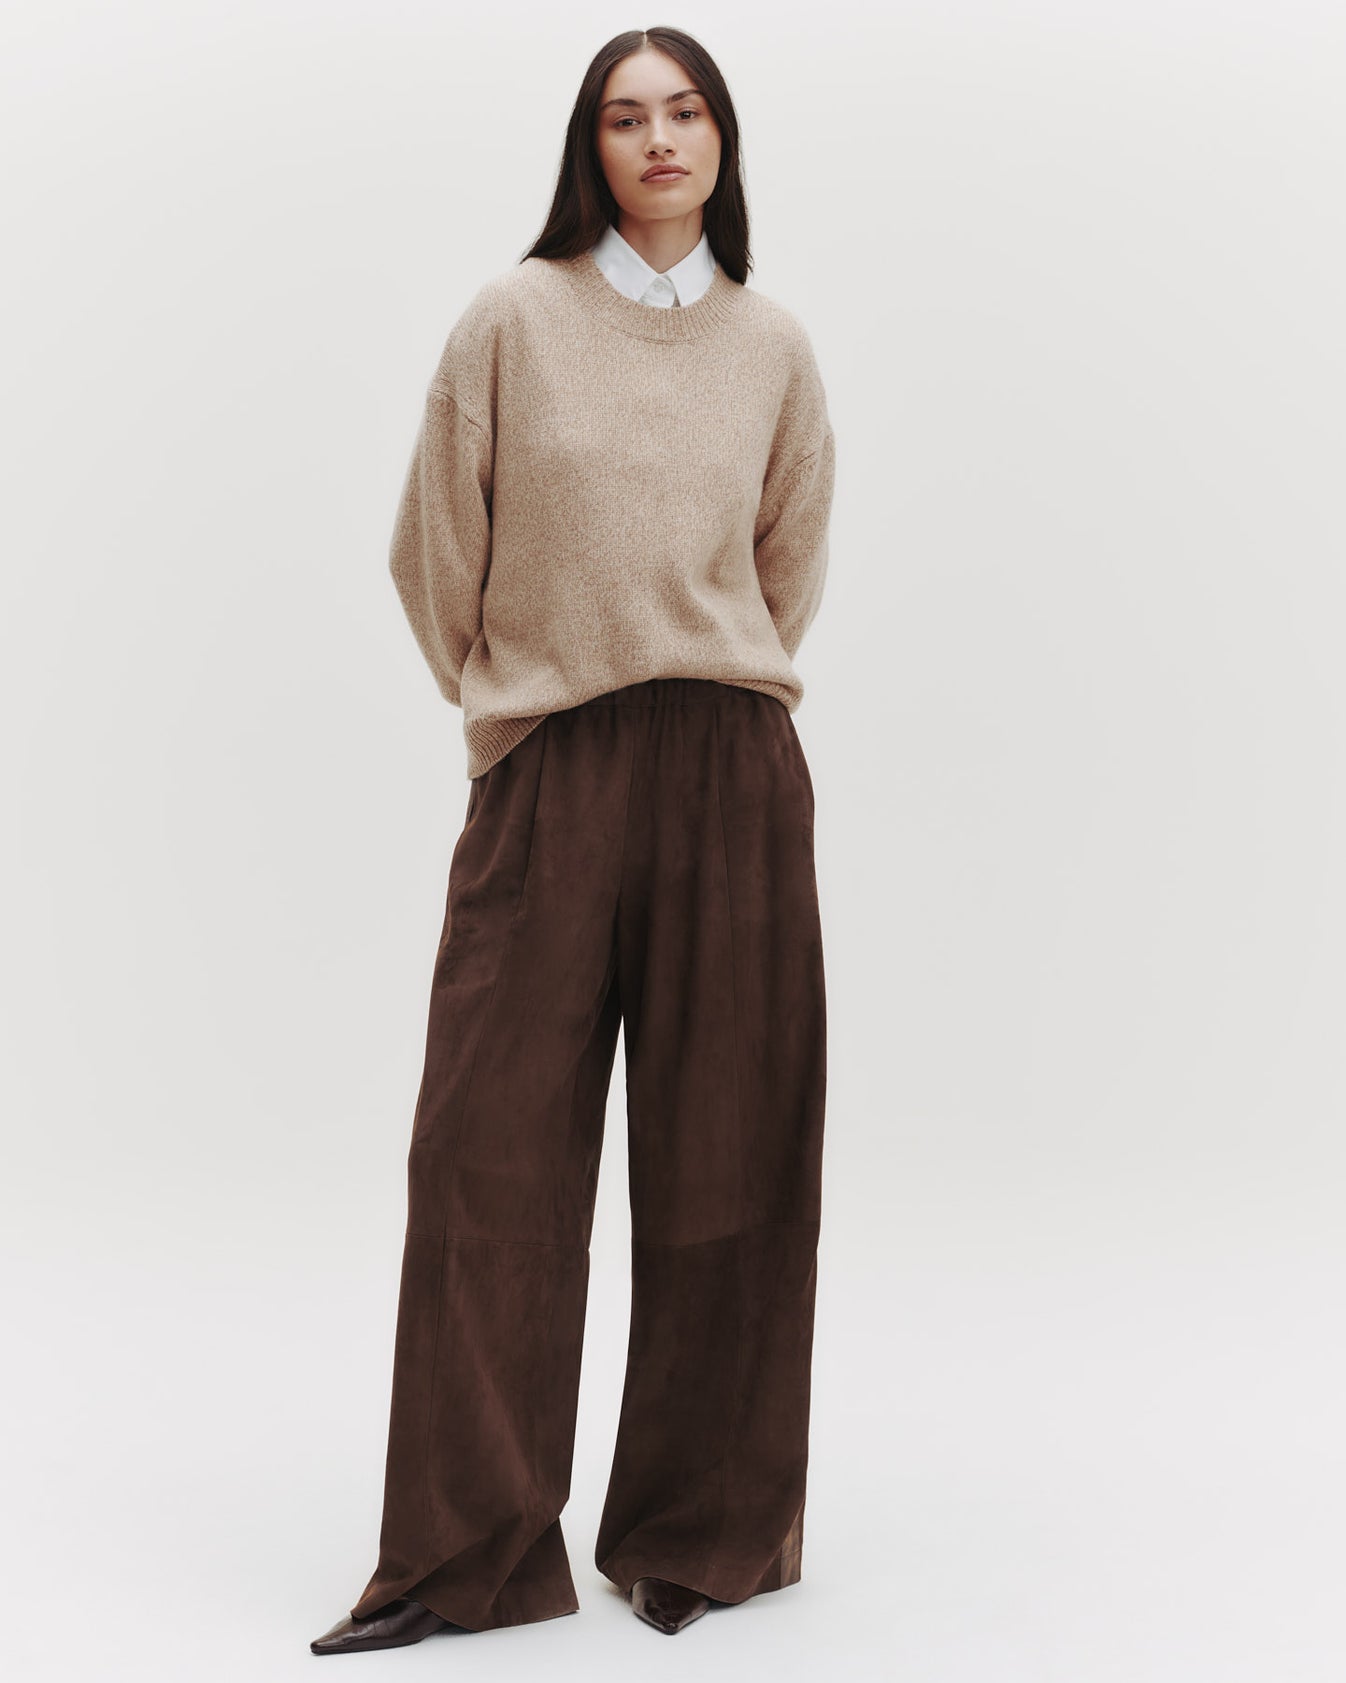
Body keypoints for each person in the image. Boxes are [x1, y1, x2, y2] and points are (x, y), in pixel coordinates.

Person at [310, 24, 836, 1655]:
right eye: (624, 116)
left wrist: (697, 675)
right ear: (586, 146)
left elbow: (786, 564)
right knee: (485, 1158)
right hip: (549, 763)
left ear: (721, 140)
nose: (658, 140)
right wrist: (518, 699)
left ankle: (701, 1530)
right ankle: (464, 1551)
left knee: (732, 1158)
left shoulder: (772, 348)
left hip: (731, 771)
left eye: (685, 112)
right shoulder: (511, 322)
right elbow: (431, 552)